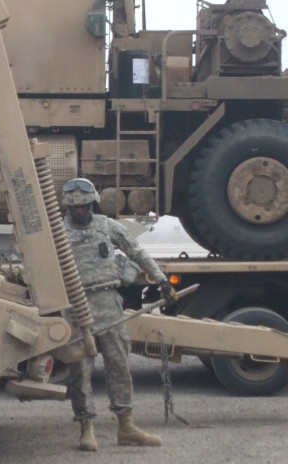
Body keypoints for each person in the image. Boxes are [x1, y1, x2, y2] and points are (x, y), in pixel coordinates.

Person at [61, 178, 178, 452]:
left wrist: (162, 280)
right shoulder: (57, 233)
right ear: (68, 207)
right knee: (80, 373)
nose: (79, 211)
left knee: (120, 367)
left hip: (109, 306)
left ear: (92, 204)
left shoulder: (107, 226)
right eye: (74, 208)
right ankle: (86, 428)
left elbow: (136, 252)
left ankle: (126, 426)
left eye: (84, 206)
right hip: (76, 311)